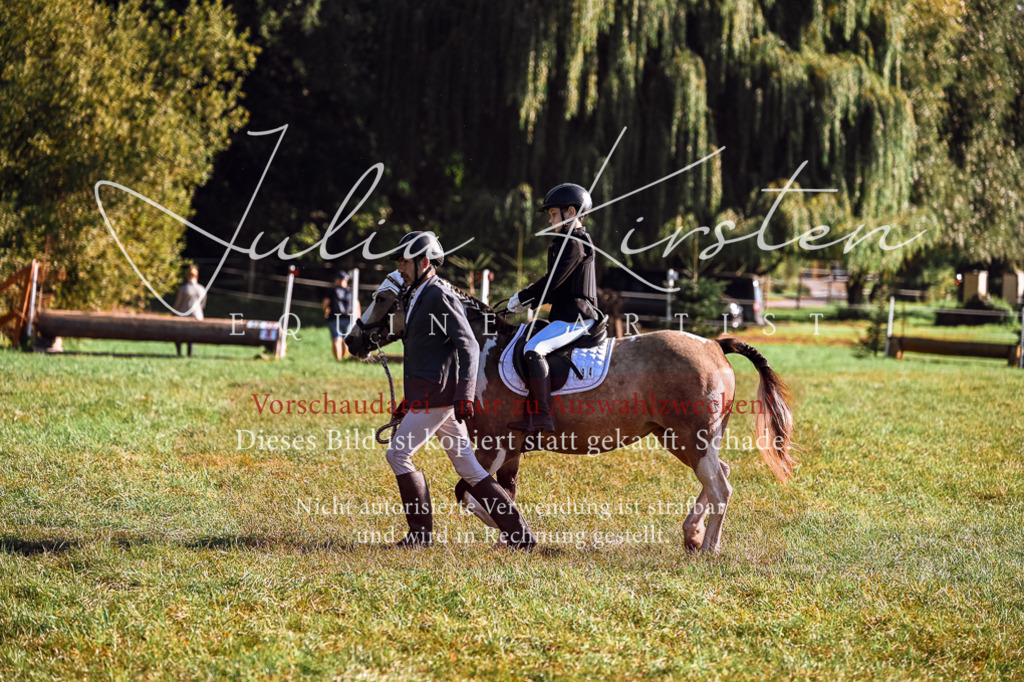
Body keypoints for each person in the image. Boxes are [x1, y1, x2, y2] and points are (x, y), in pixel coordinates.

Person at [385, 230, 536, 550]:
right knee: (468, 467)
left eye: (404, 261)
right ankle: (521, 536)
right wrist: (407, 402)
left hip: (438, 398)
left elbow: (467, 344)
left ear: (424, 262)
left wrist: (465, 395)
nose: (400, 267)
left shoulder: (439, 294)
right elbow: (431, 355)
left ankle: (419, 535)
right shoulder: (418, 295)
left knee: (398, 454)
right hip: (428, 395)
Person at [506, 183, 602, 433]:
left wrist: (523, 296)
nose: (549, 220)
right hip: (567, 315)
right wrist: (529, 300)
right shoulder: (567, 242)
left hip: (577, 318)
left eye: (552, 214)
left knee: (533, 350)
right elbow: (556, 287)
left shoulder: (574, 243)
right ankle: (528, 412)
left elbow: (552, 282)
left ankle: (543, 417)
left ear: (570, 212)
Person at [322, 270, 359, 360]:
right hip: (349, 319)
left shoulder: (332, 291)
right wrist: (358, 318)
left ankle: (338, 360)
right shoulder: (351, 291)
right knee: (346, 340)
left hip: (334, 319)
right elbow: (357, 305)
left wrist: (326, 311)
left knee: (336, 340)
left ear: (336, 280)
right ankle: (345, 359)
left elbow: (325, 303)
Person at [172, 265, 206, 357]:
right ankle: (189, 354)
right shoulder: (202, 289)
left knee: (178, 335)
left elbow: (178, 304)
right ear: (197, 277)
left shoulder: (183, 289)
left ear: (187, 276)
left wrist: (173, 313)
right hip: (197, 316)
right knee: (191, 337)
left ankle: (179, 353)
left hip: (183, 315)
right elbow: (203, 304)